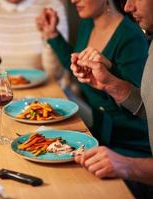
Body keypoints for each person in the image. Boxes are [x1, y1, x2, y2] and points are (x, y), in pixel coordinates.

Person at [37, 0, 151, 157]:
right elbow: (76, 68)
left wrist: (110, 74)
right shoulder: (88, 23)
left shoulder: (131, 36)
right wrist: (52, 34)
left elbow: (141, 107)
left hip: (128, 144)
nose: (73, 1)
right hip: (98, 134)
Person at [72, 0, 153, 187]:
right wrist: (110, 83)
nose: (128, 7)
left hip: (131, 149)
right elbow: (148, 107)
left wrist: (128, 165)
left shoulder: (132, 35)